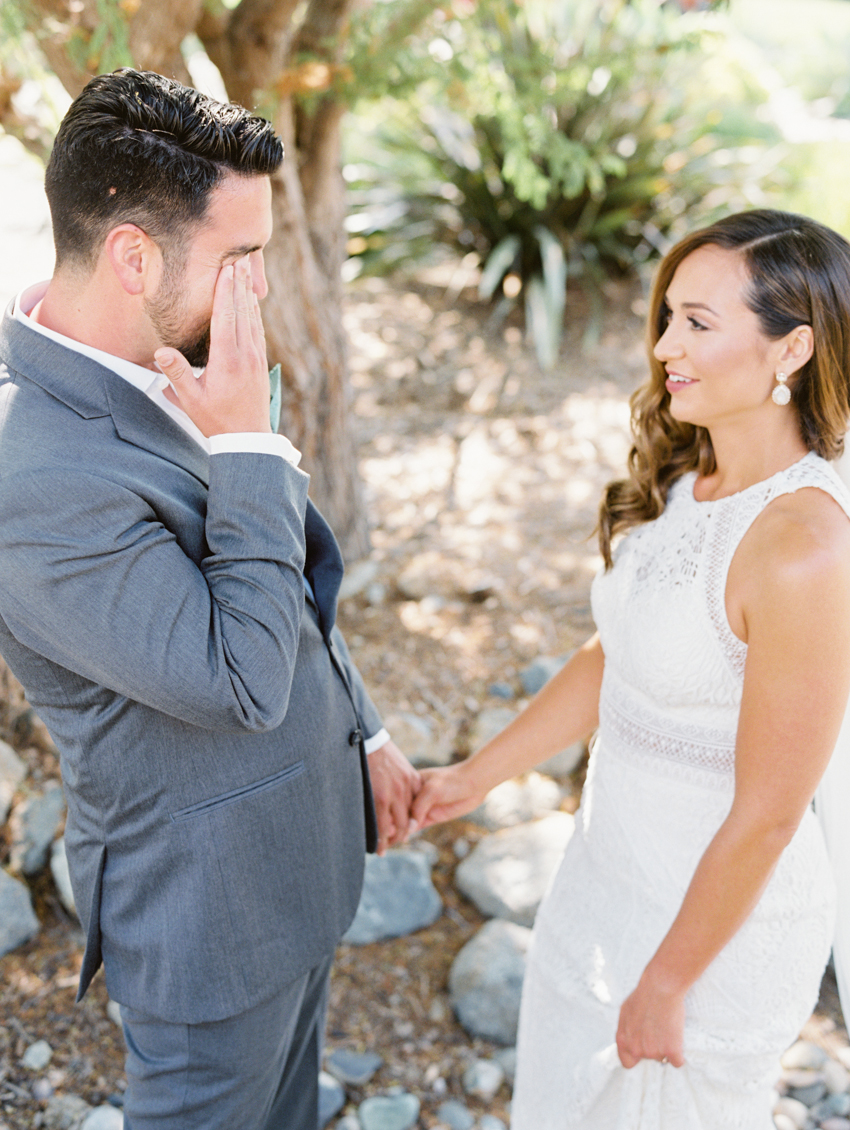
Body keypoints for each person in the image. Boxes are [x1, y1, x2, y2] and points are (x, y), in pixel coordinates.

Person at [0, 69, 419, 1130]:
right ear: (135, 256)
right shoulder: (32, 484)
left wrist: (358, 724)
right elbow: (237, 678)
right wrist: (242, 442)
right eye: (243, 260)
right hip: (210, 928)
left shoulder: (180, 351)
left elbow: (279, 573)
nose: (260, 292)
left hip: (297, 872)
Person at [412, 209, 850, 1128]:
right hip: (602, 884)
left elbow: (770, 814)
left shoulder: (805, 549)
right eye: (667, 317)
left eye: (697, 322)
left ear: (793, 349)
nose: (662, 347)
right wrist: (472, 778)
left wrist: (667, 980)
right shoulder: (693, 481)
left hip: (713, 945)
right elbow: (617, 656)